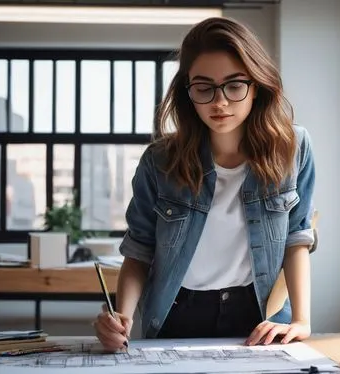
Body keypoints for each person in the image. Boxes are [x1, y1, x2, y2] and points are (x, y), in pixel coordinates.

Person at [93, 16, 316, 352]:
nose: (220, 101)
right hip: (178, 313)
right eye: (204, 87)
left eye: (234, 84)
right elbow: (139, 250)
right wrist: (121, 318)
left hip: (259, 315)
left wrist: (302, 319)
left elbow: (297, 238)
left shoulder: (293, 147)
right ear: (188, 92)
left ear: (256, 86)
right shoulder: (160, 160)